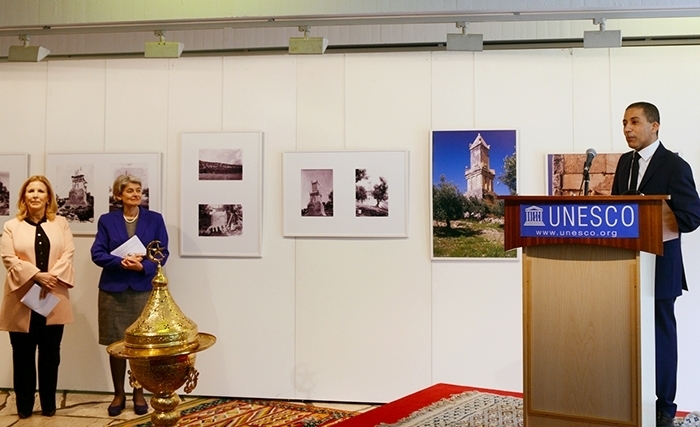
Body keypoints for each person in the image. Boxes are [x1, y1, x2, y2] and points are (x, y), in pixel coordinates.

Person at [611, 102, 700, 427]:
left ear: (655, 125)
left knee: (660, 339)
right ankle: (628, 399)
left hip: (661, 269)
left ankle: (664, 408)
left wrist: (657, 214)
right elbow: (615, 214)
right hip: (626, 268)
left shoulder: (675, 166)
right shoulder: (623, 163)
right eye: (624, 123)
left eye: (634, 122)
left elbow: (691, 217)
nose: (627, 129)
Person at [90, 174, 169, 416]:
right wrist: (120, 262)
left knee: (141, 345)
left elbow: (162, 252)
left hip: (143, 290)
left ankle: (138, 392)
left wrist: (143, 267)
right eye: (130, 191)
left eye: (139, 190)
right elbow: (97, 253)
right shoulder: (107, 220)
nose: (136, 194)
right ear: (118, 196)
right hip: (113, 290)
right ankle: (118, 394)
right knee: (117, 344)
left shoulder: (155, 219)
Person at [0, 175, 75, 419]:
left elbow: (68, 253)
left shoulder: (61, 223)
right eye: (30, 191)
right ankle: (23, 406)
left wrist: (50, 277)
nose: (35, 195)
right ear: (23, 197)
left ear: (48, 197)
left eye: (40, 191)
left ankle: (49, 404)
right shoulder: (11, 226)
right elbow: (9, 258)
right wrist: (36, 275)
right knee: (22, 354)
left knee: (51, 353)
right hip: (22, 298)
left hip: (52, 294)